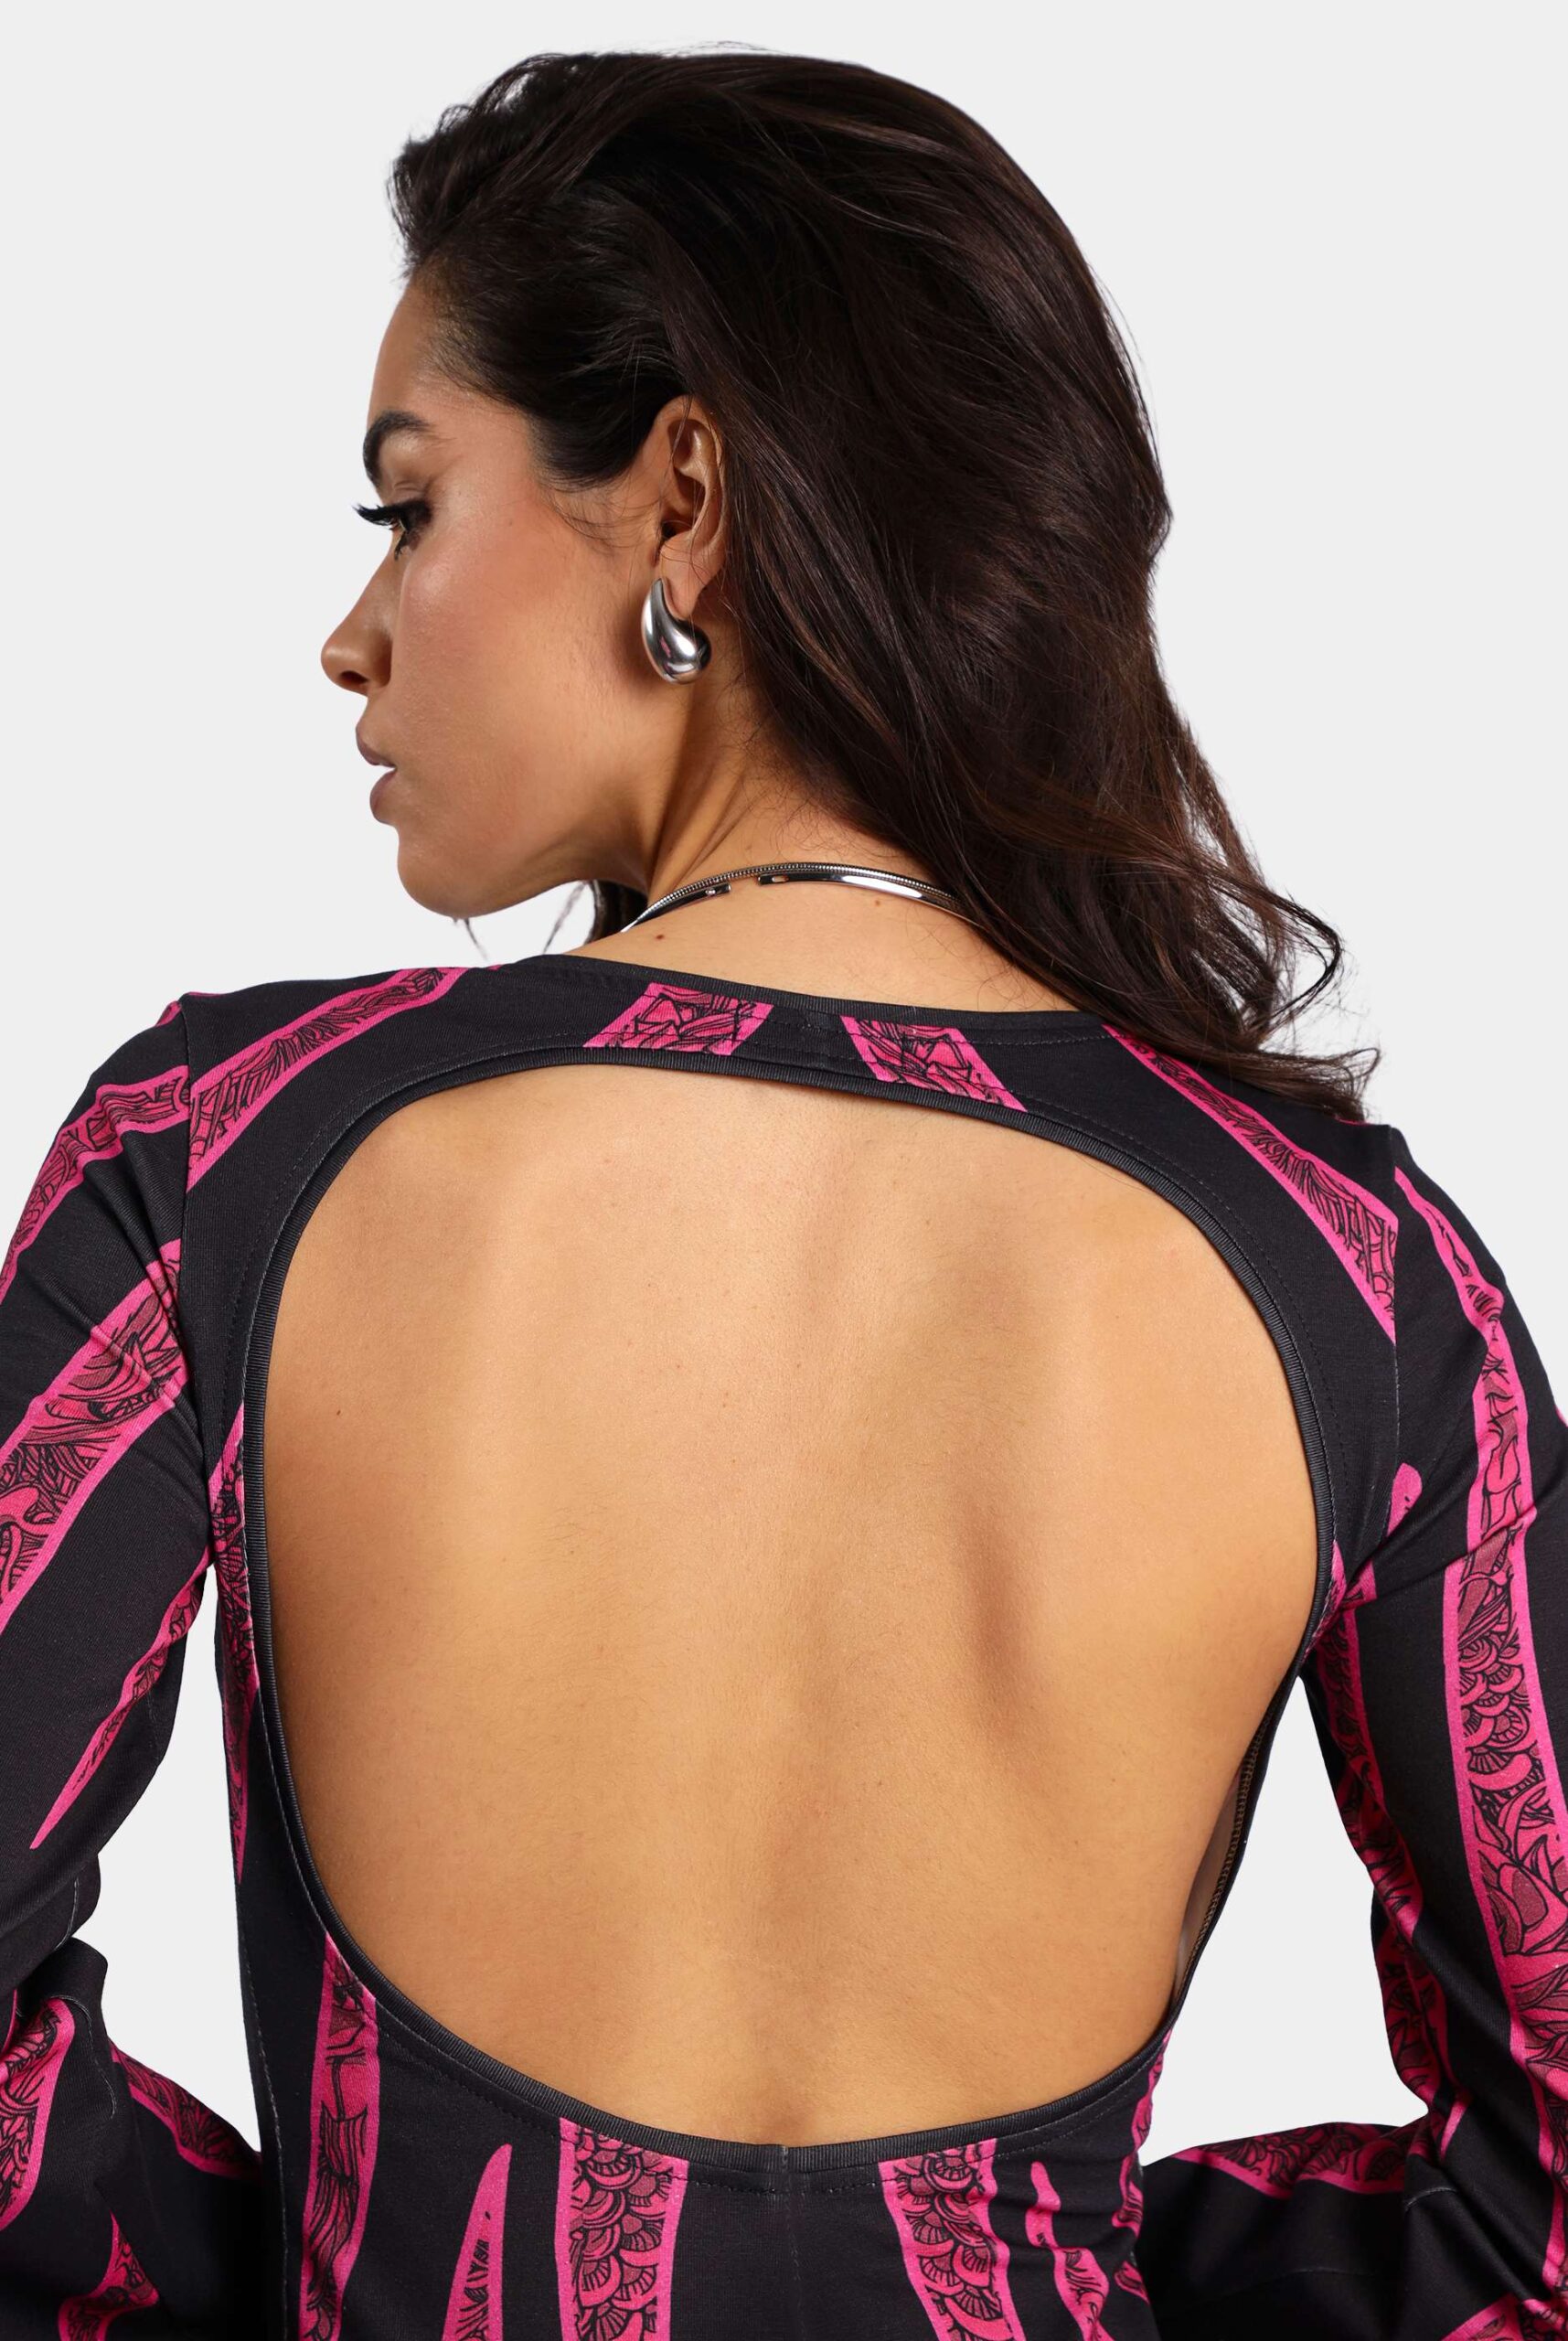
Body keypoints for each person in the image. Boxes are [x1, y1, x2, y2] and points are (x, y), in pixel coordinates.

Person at [1, 45, 1562, 2341]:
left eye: (406, 507)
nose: (355, 631)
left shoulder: (221, 1149)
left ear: (682, 501)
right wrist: (1050, 2271)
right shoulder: (1358, 1277)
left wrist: (306, 2256)